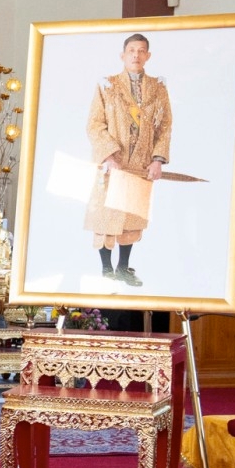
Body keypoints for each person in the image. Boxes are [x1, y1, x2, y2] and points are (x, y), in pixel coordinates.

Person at [85, 32, 172, 287]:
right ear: (123, 55)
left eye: (141, 50)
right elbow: (95, 124)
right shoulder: (107, 85)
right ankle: (105, 268)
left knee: (131, 218)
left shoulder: (158, 88)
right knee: (106, 215)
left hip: (140, 164)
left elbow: (165, 125)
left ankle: (123, 268)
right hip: (112, 164)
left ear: (148, 55)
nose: (136, 55)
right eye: (132, 50)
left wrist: (157, 160)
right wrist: (109, 156)